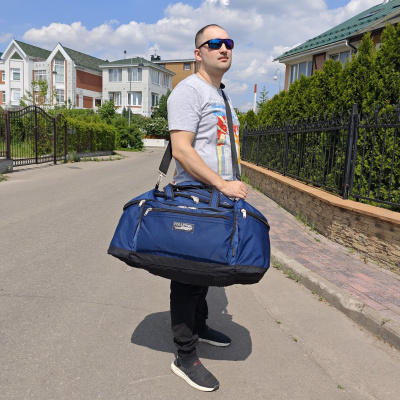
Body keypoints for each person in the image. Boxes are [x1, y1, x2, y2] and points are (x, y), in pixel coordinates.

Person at [167, 24, 248, 392]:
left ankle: (199, 324)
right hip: (197, 196)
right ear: (198, 53)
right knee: (188, 276)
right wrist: (222, 184)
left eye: (228, 43)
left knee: (206, 273)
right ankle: (184, 355)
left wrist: (232, 185)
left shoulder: (222, 95)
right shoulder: (189, 90)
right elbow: (182, 150)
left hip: (218, 197)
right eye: (214, 43)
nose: (223, 48)